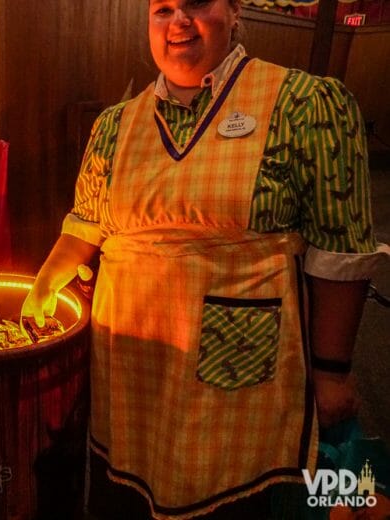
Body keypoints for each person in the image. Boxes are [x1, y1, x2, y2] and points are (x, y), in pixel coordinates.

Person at [22, 1, 388, 518]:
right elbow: (86, 225)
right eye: (162, 9)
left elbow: (339, 253)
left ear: (234, 11)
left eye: (196, 3)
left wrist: (332, 372)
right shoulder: (114, 125)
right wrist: (40, 289)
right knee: (127, 495)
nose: (177, 21)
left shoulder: (302, 103)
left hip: (240, 368)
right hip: (130, 369)